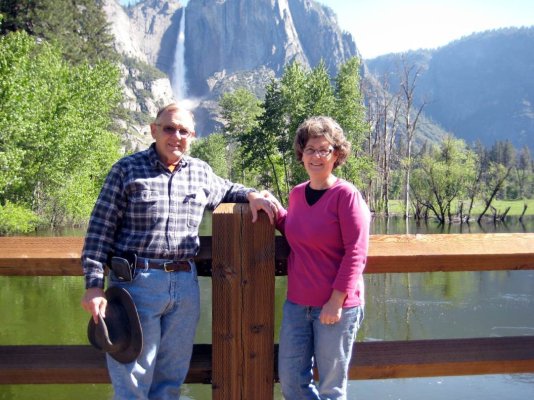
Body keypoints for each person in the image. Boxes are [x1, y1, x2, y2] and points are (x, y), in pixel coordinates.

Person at [80, 103, 276, 399]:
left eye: (184, 130)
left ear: (192, 135)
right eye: (169, 128)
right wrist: (93, 286)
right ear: (154, 129)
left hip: (185, 286)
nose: (176, 136)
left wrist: (252, 195)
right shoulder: (126, 170)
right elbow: (99, 231)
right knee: (132, 383)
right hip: (135, 286)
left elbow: (226, 189)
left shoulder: (200, 172)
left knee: (170, 383)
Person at [270, 116, 371, 399]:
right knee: (291, 381)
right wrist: (273, 209)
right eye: (310, 149)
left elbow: (356, 253)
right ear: (301, 154)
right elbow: (295, 228)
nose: (316, 156)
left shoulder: (346, 195)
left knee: (331, 389)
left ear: (336, 154)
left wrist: (335, 302)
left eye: (323, 149)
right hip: (297, 305)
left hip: (336, 307)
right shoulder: (297, 194)